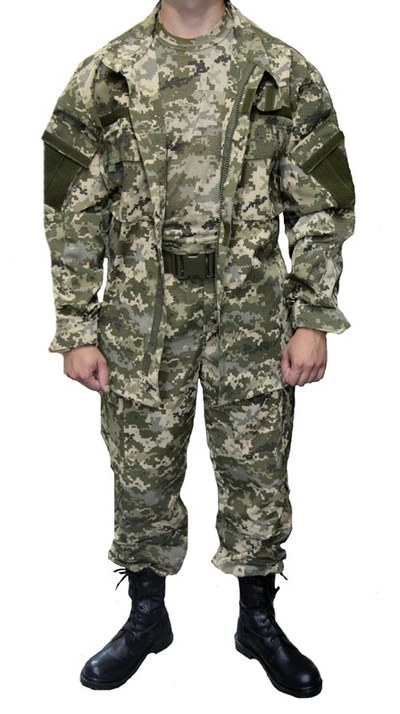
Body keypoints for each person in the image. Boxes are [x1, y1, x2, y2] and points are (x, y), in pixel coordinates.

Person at [42, 0, 355, 698]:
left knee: (257, 469)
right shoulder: (107, 75)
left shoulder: (280, 72)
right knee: (141, 470)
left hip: (251, 313)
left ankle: (257, 619)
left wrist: (313, 315)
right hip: (141, 317)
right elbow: (71, 211)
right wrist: (76, 325)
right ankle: (146, 615)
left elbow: (321, 204)